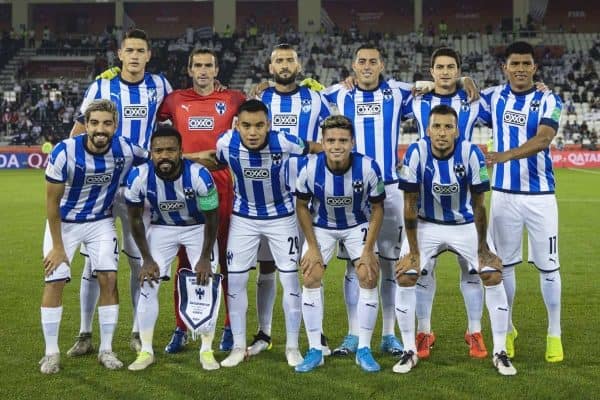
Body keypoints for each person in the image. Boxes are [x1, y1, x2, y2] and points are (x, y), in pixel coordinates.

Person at [68, 28, 172, 356]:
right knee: (92, 264)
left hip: (140, 187)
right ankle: (85, 334)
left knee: (139, 261)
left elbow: (178, 116)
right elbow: (81, 128)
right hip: (101, 186)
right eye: (130, 50)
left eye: (141, 50)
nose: (136, 56)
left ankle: (137, 331)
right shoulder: (102, 85)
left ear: (148, 55)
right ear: (120, 54)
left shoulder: (160, 85)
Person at [394, 104, 516, 376]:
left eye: (448, 127)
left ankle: (499, 351)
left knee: (493, 274)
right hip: (426, 224)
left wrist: (483, 248)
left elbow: (479, 205)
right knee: (406, 275)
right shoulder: (415, 151)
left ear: (457, 130)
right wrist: (413, 251)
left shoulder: (472, 152)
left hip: (464, 224)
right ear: (428, 129)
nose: (442, 132)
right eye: (436, 126)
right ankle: (409, 350)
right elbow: (409, 205)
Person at [39, 99, 147, 374]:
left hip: (100, 222)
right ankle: (51, 353)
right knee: (56, 279)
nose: (101, 129)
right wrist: (59, 248)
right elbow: (52, 204)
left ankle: (106, 349)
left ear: (115, 126)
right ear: (85, 125)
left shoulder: (125, 148)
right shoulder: (65, 152)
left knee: (109, 278)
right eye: (95, 123)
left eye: (107, 123)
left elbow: (160, 157)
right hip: (65, 224)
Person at [215, 99, 320, 368]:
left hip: (281, 218)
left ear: (269, 125)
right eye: (246, 126)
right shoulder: (226, 143)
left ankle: (293, 347)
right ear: (237, 125)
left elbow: (316, 149)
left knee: (291, 282)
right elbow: (212, 159)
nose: (253, 132)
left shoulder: (285, 142)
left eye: (259, 125)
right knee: (236, 282)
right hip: (244, 218)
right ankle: (239, 347)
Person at [402, 47, 490, 359]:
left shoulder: (473, 99)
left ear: (458, 70)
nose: (445, 72)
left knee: (473, 270)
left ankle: (474, 331)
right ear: (431, 70)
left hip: (464, 200)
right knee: (423, 271)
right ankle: (424, 331)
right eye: (439, 67)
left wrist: (470, 80)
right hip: (426, 202)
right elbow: (378, 94)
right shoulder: (415, 98)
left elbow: (506, 101)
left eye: (452, 67)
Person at [157, 48, 246, 353]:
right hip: (184, 188)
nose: (204, 70)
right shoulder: (174, 100)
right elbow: (146, 122)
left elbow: (260, 111)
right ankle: (181, 327)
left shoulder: (234, 99)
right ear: (190, 70)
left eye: (209, 65)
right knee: (185, 260)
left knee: (224, 258)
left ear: (217, 69)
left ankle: (230, 327)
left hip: (222, 186)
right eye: (198, 66)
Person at [323, 45, 409, 356]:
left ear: (382, 65)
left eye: (374, 61)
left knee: (388, 263)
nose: (368, 66)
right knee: (352, 267)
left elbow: (439, 86)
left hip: (390, 189)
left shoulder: (400, 92)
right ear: (353, 65)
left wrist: (466, 79)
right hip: (351, 192)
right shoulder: (337, 94)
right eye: (362, 61)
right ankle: (352, 333)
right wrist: (264, 86)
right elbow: (299, 93)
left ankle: (388, 335)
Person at [248, 43, 331, 357]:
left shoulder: (315, 97)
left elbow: (333, 132)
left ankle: (315, 331)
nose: (284, 65)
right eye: (279, 60)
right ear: (271, 67)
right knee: (267, 266)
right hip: (268, 197)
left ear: (299, 65)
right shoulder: (260, 99)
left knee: (310, 267)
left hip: (308, 197)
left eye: (290, 60)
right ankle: (264, 333)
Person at [484, 41, 564, 363]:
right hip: (503, 196)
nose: (520, 68)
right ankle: (507, 330)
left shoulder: (549, 99)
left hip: (541, 197)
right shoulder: (492, 97)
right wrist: (466, 82)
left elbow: (545, 138)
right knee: (504, 269)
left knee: (549, 269)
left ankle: (554, 334)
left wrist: (505, 156)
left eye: (526, 63)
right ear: (504, 67)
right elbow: (461, 94)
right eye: (514, 63)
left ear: (535, 67)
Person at [294, 115, 385, 373]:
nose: (337, 146)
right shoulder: (310, 168)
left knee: (367, 275)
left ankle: (364, 349)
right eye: (331, 140)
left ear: (352, 142)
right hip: (322, 226)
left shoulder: (368, 167)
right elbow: (301, 206)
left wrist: (367, 250)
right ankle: (315, 350)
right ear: (322, 142)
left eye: (343, 140)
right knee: (311, 275)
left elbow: (378, 209)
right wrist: (312, 246)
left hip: (357, 225)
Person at [125, 126, 219, 371]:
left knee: (205, 283)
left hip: (198, 227)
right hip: (162, 227)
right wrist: (146, 259)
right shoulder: (138, 177)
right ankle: (146, 351)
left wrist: (205, 257)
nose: (164, 155)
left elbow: (212, 218)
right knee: (148, 283)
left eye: (170, 150)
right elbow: (135, 220)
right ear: (151, 153)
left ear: (180, 151)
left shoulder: (200, 175)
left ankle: (206, 350)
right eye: (158, 150)